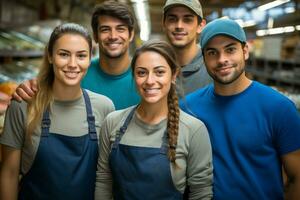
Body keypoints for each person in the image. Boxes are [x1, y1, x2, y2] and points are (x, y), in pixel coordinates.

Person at [181, 18, 300, 199]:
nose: (222, 60)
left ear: (245, 51)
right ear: (203, 58)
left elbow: (297, 177)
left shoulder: (279, 108)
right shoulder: (188, 108)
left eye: (230, 49)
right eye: (212, 52)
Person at [0, 23, 114, 200]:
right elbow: (9, 173)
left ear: (90, 58)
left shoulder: (104, 107)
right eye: (64, 54)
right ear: (50, 56)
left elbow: (105, 177)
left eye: (81, 55)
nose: (72, 64)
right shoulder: (23, 104)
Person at [95, 40, 213, 200]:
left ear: (174, 75)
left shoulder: (193, 130)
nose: (150, 81)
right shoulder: (113, 122)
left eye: (159, 72)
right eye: (142, 72)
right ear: (134, 76)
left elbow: (201, 193)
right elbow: (104, 180)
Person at [12, 1, 140, 110]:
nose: (113, 36)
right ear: (95, 36)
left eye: (120, 29)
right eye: (105, 29)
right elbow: (44, 88)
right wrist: (29, 87)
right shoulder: (76, 72)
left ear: (131, 34)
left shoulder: (146, 77)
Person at [163, 0, 212, 96]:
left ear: (200, 25)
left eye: (187, 20)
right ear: (164, 24)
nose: (179, 26)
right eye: (172, 19)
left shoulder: (212, 67)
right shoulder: (155, 66)